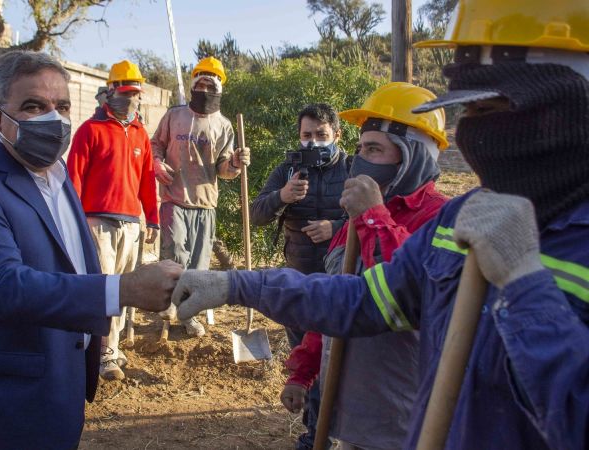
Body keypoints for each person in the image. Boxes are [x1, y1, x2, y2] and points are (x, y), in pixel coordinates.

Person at [172, 1, 589, 448]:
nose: (479, 135)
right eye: (472, 112)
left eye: (493, 108)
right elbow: (364, 298)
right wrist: (237, 285)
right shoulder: (459, 220)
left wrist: (526, 286)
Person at [0, 51, 181, 450]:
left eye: (61, 106)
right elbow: (6, 287)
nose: (53, 118)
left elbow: (71, 262)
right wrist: (123, 291)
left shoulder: (56, 170)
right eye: (34, 106)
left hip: (57, 388)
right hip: (1, 405)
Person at [280, 82, 450, 450]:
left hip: (404, 416)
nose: (360, 160)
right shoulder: (355, 217)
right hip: (351, 408)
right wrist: (305, 372)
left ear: (413, 156)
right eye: (359, 149)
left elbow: (407, 290)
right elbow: (334, 301)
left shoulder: (441, 218)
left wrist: (374, 217)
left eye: (374, 149)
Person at [249, 102, 350, 450]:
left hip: (343, 283)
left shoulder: (353, 169)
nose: (314, 142)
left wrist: (337, 226)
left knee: (338, 362)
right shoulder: (287, 170)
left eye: (321, 135)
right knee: (306, 365)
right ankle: (314, 431)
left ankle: (333, 433)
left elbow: (377, 214)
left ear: (336, 135)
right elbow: (256, 215)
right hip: (300, 281)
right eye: (307, 135)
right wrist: (281, 196)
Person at [67, 59, 159, 381]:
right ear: (109, 92)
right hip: (97, 222)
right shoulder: (89, 131)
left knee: (124, 288)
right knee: (106, 287)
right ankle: (103, 352)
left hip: (132, 223)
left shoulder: (140, 134)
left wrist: (153, 219)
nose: (131, 98)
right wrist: (74, 222)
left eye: (136, 93)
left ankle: (114, 346)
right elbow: (74, 179)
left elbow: (147, 179)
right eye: (126, 91)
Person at [151, 56, 250, 337]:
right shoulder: (174, 115)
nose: (205, 87)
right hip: (174, 197)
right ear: (194, 83)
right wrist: (157, 163)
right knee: (174, 254)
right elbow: (155, 145)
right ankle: (169, 304)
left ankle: (188, 314)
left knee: (199, 264)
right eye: (201, 81)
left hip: (205, 202)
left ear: (219, 88)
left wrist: (235, 164)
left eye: (211, 82)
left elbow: (223, 169)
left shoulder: (224, 125)